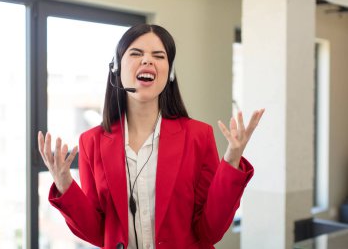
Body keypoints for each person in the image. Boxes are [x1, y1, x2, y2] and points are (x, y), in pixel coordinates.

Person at [38, 24, 264, 249]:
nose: (147, 61)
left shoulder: (198, 136)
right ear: (116, 68)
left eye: (159, 56)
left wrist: (233, 158)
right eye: (136, 54)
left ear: (170, 71)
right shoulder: (91, 142)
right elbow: (97, 233)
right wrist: (64, 183)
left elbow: (210, 231)